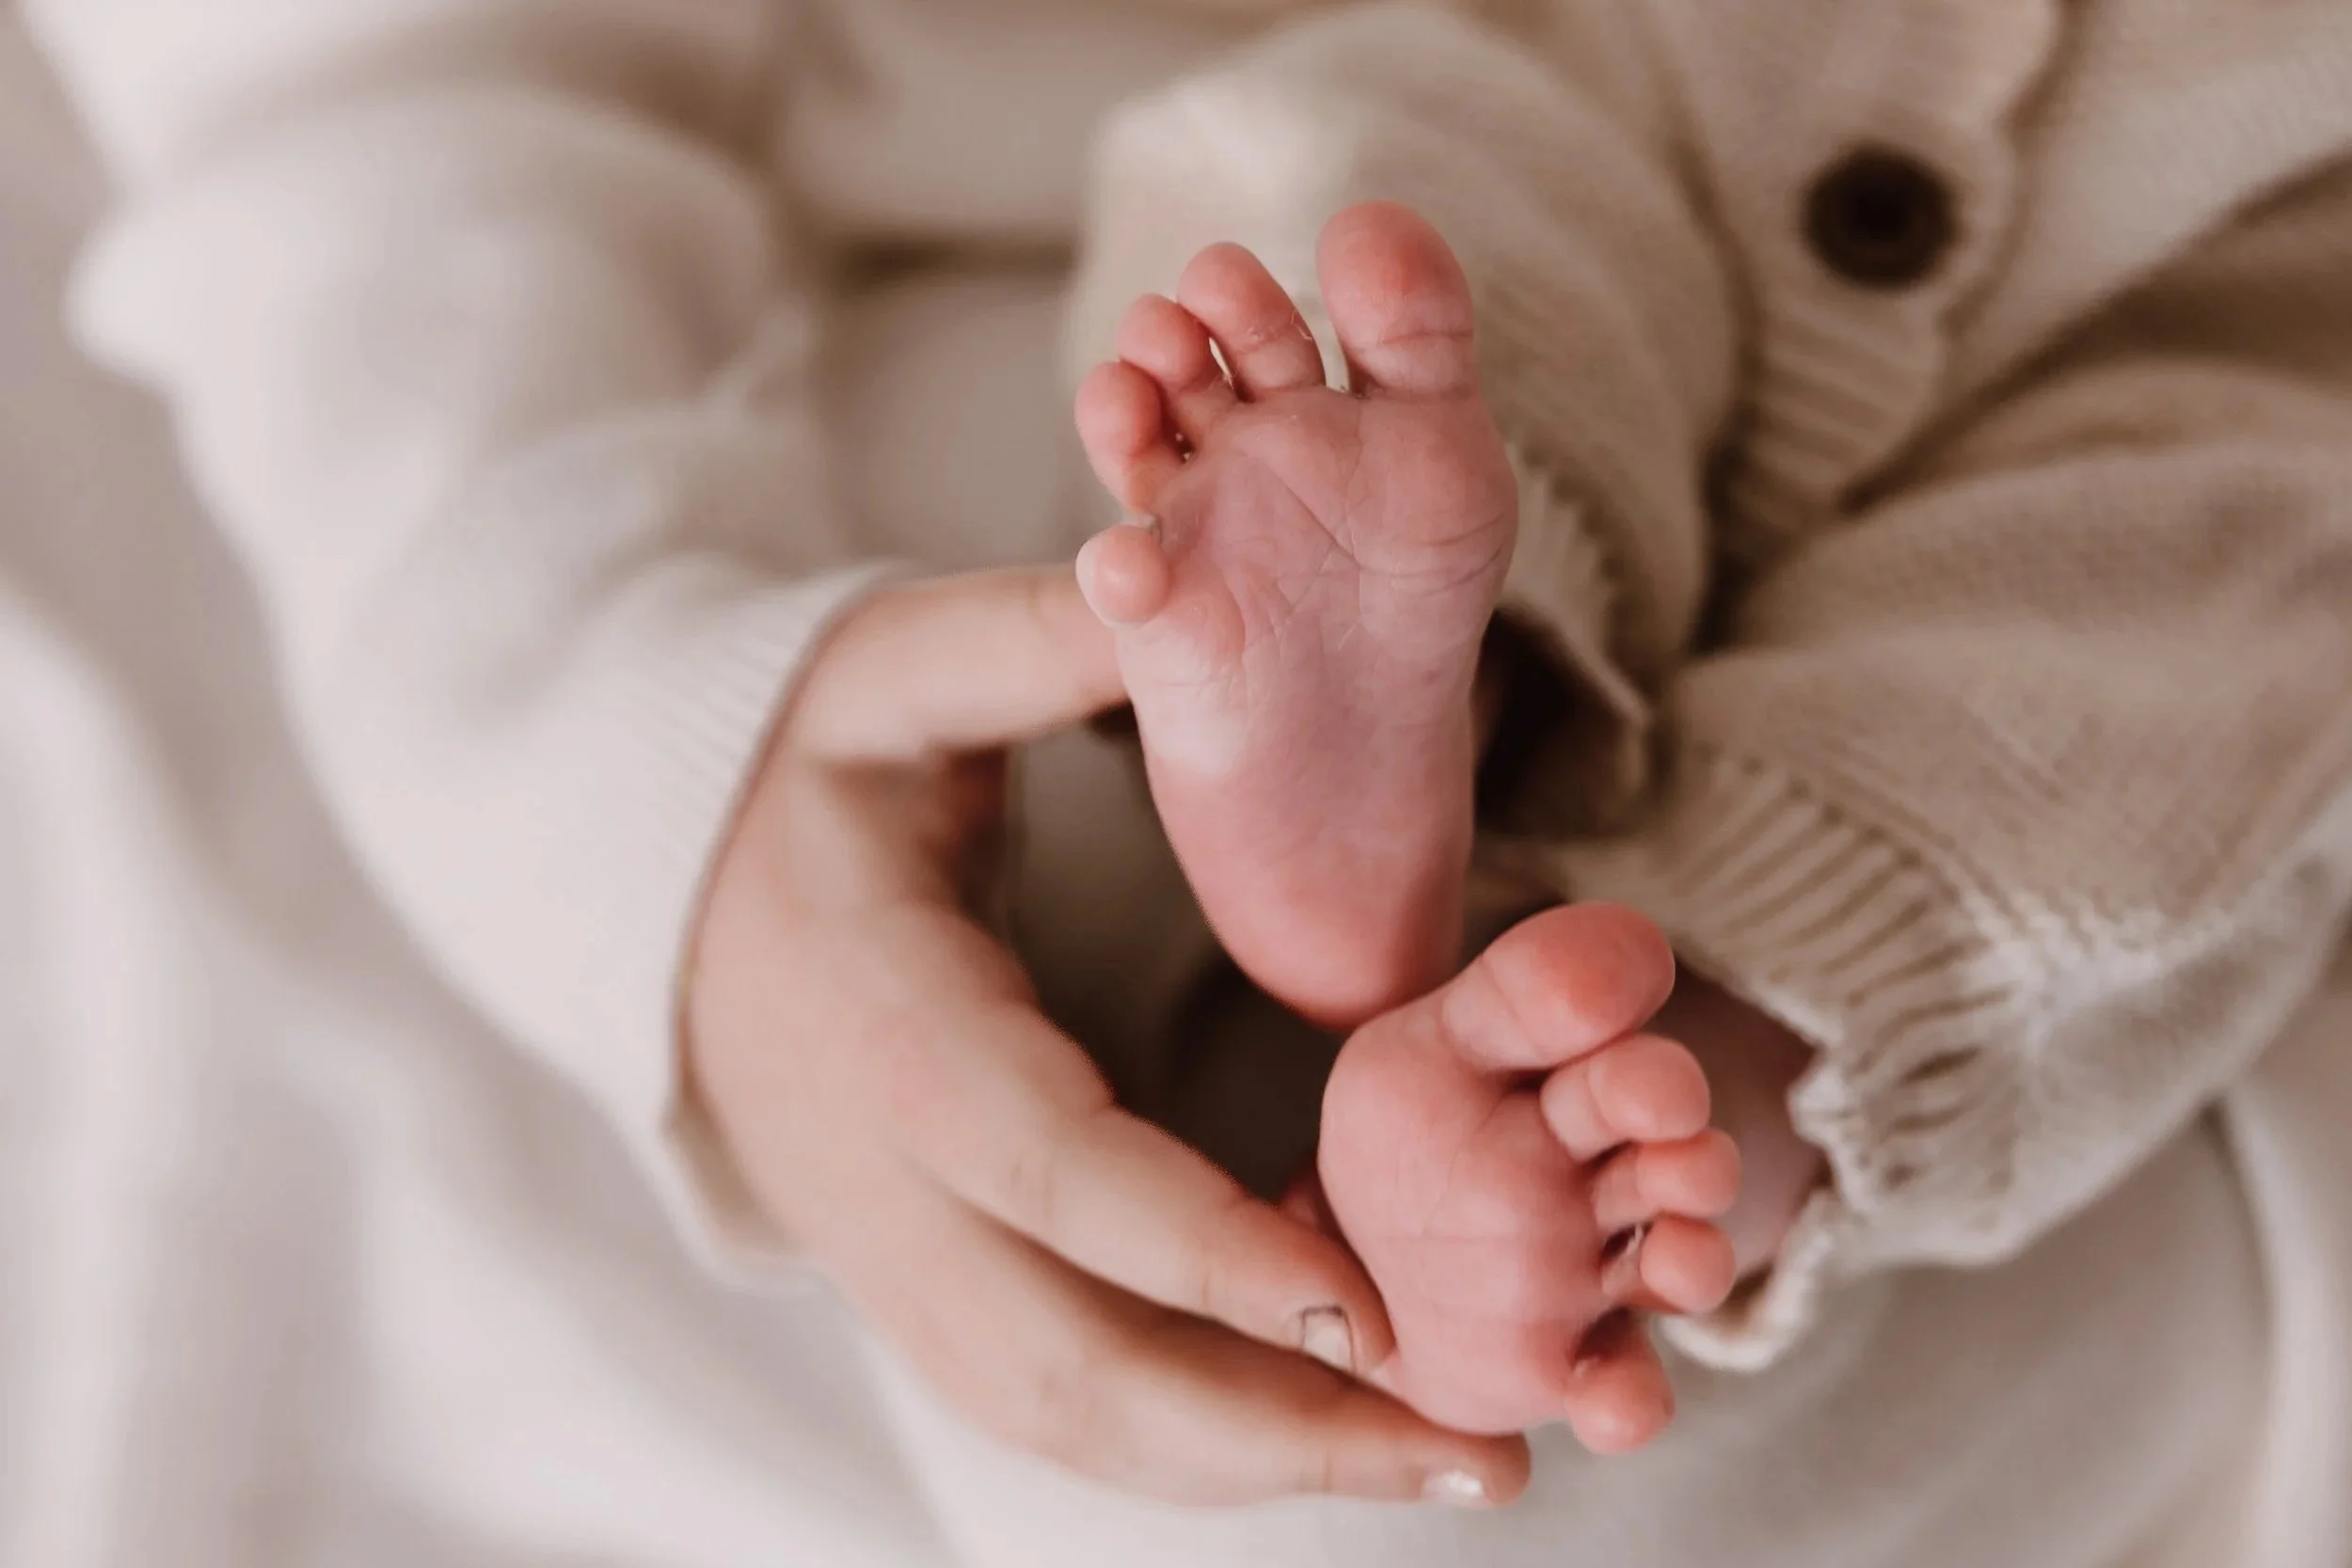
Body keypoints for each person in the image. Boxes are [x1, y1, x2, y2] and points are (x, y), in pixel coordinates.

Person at [14, 1, 2352, 1566]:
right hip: (1570, 73)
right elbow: (365, 89)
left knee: (2199, 600)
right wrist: (663, 795)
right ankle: (1511, 894)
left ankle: (1684, 1072)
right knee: (1361, 211)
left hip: (2254, 274)